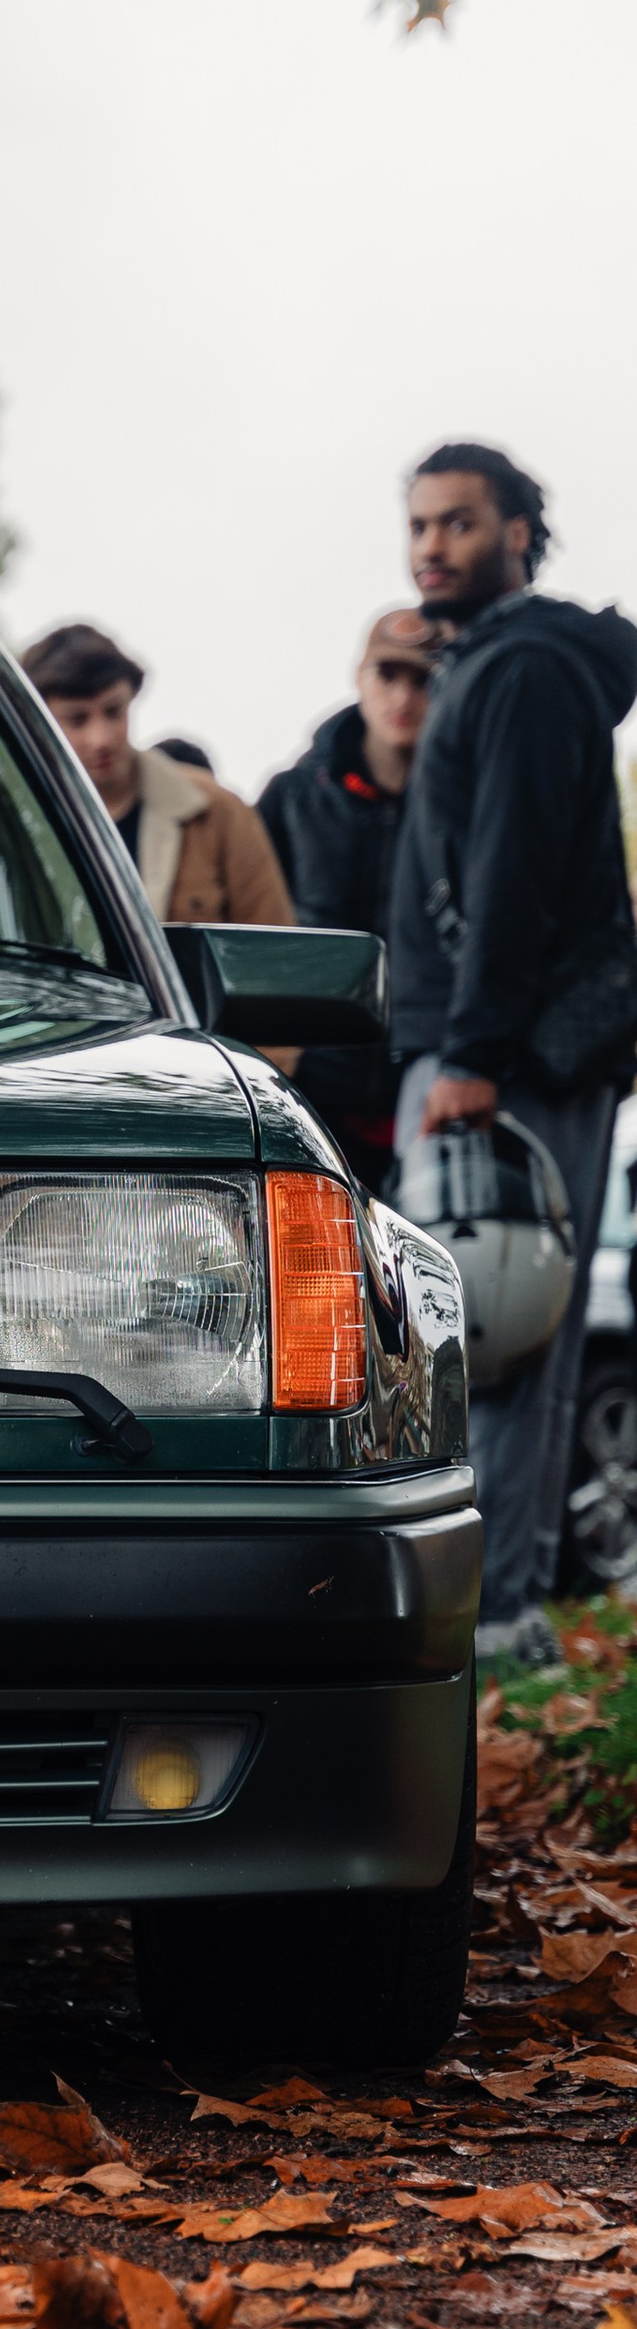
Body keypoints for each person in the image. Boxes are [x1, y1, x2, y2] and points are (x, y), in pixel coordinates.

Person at [390, 442, 637, 1667]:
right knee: (472, 1337)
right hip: (487, 1055)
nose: (432, 544)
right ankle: (495, 1616)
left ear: (522, 533)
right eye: (419, 524)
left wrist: (473, 1052)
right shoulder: (489, 664)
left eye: (459, 523)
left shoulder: (530, 669)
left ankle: (499, 1619)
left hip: (512, 1064)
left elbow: (510, 878)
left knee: (505, 1335)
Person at [257, 608, 447, 1192]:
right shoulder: (292, 798)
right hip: (313, 1096)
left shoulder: (466, 805)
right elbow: (251, 928)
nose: (403, 696)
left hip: (429, 1089)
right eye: (387, 675)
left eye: (422, 679)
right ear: (359, 677)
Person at [20, 624, 296, 925]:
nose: (102, 739)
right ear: (38, 721)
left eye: (113, 712)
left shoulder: (218, 812)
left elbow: (274, 951)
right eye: (77, 720)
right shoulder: (16, 818)